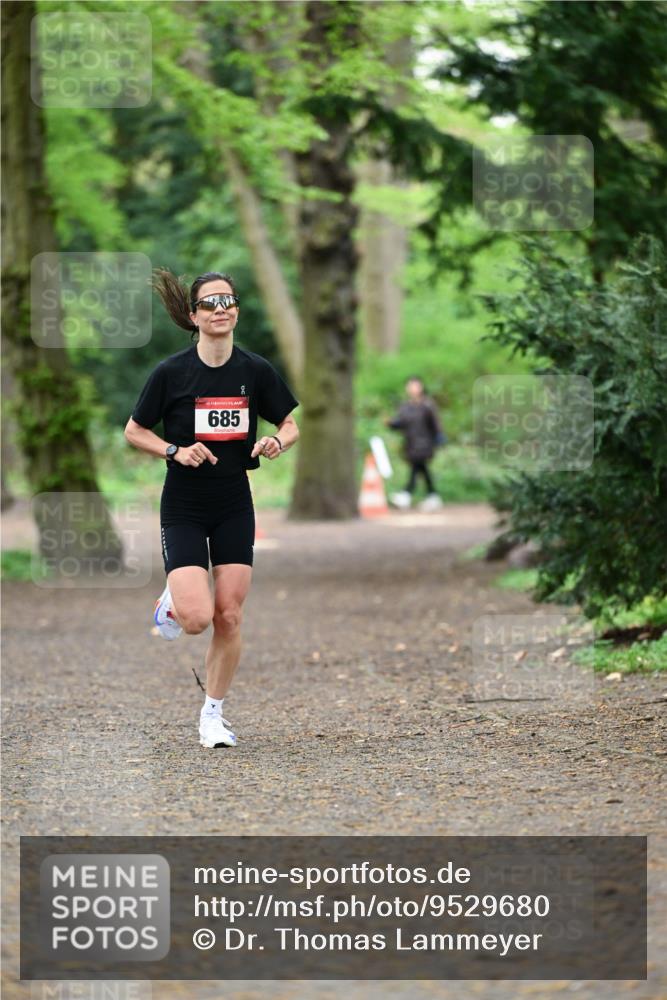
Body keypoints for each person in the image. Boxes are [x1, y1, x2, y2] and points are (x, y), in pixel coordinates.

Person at [124, 269, 299, 749]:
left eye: (228, 300)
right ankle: (173, 602)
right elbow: (134, 430)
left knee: (230, 615)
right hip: (183, 503)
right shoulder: (172, 373)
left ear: (237, 311)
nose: (220, 309)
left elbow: (289, 424)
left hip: (233, 502)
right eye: (210, 303)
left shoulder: (255, 370)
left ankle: (212, 715)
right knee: (198, 619)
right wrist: (174, 451)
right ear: (194, 315)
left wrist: (274, 440)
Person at [385, 376, 445, 512]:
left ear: (421, 387)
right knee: (421, 468)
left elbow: (435, 423)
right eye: (410, 385)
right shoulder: (406, 407)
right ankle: (432, 495)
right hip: (411, 443)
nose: (412, 388)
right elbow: (401, 423)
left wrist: (439, 436)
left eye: (415, 385)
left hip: (425, 443)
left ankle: (406, 494)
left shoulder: (427, 405)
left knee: (417, 467)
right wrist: (391, 424)